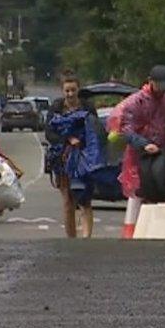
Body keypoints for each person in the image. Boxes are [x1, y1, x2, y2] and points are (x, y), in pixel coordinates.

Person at [118, 65, 165, 225]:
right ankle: (132, 231)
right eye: (160, 85)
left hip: (162, 153)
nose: (163, 90)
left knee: (161, 189)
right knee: (138, 193)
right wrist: (144, 144)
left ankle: (157, 228)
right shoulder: (136, 102)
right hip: (139, 155)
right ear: (151, 81)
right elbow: (126, 129)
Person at [46, 72, 100, 238]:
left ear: (78, 89)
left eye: (73, 90)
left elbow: (96, 130)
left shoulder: (88, 108)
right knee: (69, 201)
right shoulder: (56, 108)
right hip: (63, 159)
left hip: (85, 159)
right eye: (67, 91)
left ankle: (86, 238)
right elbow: (49, 132)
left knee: (85, 199)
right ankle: (72, 239)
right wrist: (68, 139)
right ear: (62, 91)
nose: (70, 94)